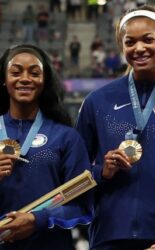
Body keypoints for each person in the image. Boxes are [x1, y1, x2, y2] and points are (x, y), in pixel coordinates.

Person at [76, 4, 155, 250]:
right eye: (130, 42)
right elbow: (72, 175)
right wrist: (102, 172)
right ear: (122, 46)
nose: (139, 48)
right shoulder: (97, 102)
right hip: (109, 235)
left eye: (148, 39)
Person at [0, 44, 92, 250]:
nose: (25, 78)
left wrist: (38, 220)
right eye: (16, 72)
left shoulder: (66, 137)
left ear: (44, 81)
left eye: (34, 73)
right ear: (4, 80)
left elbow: (83, 207)